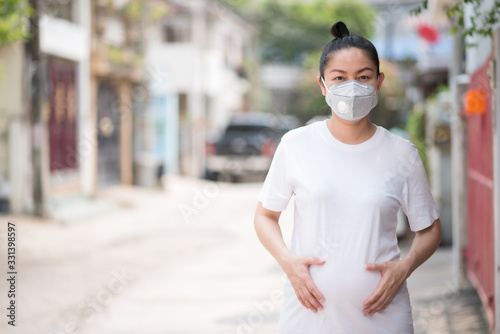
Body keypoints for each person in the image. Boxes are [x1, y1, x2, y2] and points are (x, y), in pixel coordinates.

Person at [254, 21, 442, 333]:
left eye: (363, 77)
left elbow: (430, 228)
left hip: (384, 316)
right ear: (322, 84)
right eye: (339, 78)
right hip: (308, 315)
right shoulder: (296, 145)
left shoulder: (401, 153)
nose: (351, 86)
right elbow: (264, 215)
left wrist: (404, 268)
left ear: (378, 82)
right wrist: (288, 263)